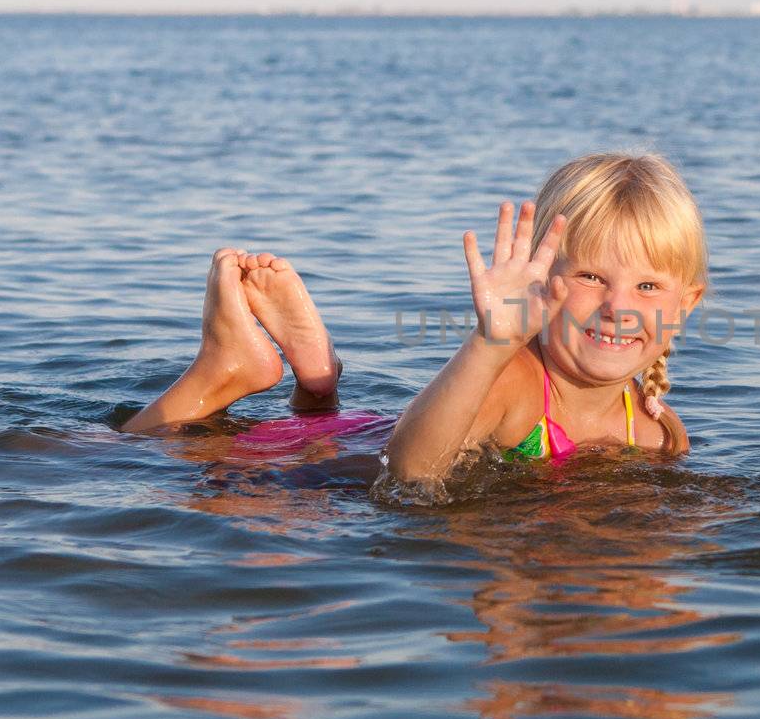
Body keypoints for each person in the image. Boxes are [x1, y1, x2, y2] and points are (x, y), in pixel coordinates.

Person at [120, 153, 708, 484]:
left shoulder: (658, 431)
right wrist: (490, 341)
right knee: (121, 451)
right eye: (590, 277)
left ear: (686, 305)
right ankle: (221, 369)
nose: (617, 306)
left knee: (311, 430)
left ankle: (316, 387)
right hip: (308, 470)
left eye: (649, 286)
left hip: (355, 434)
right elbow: (409, 472)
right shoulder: (516, 381)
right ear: (540, 279)